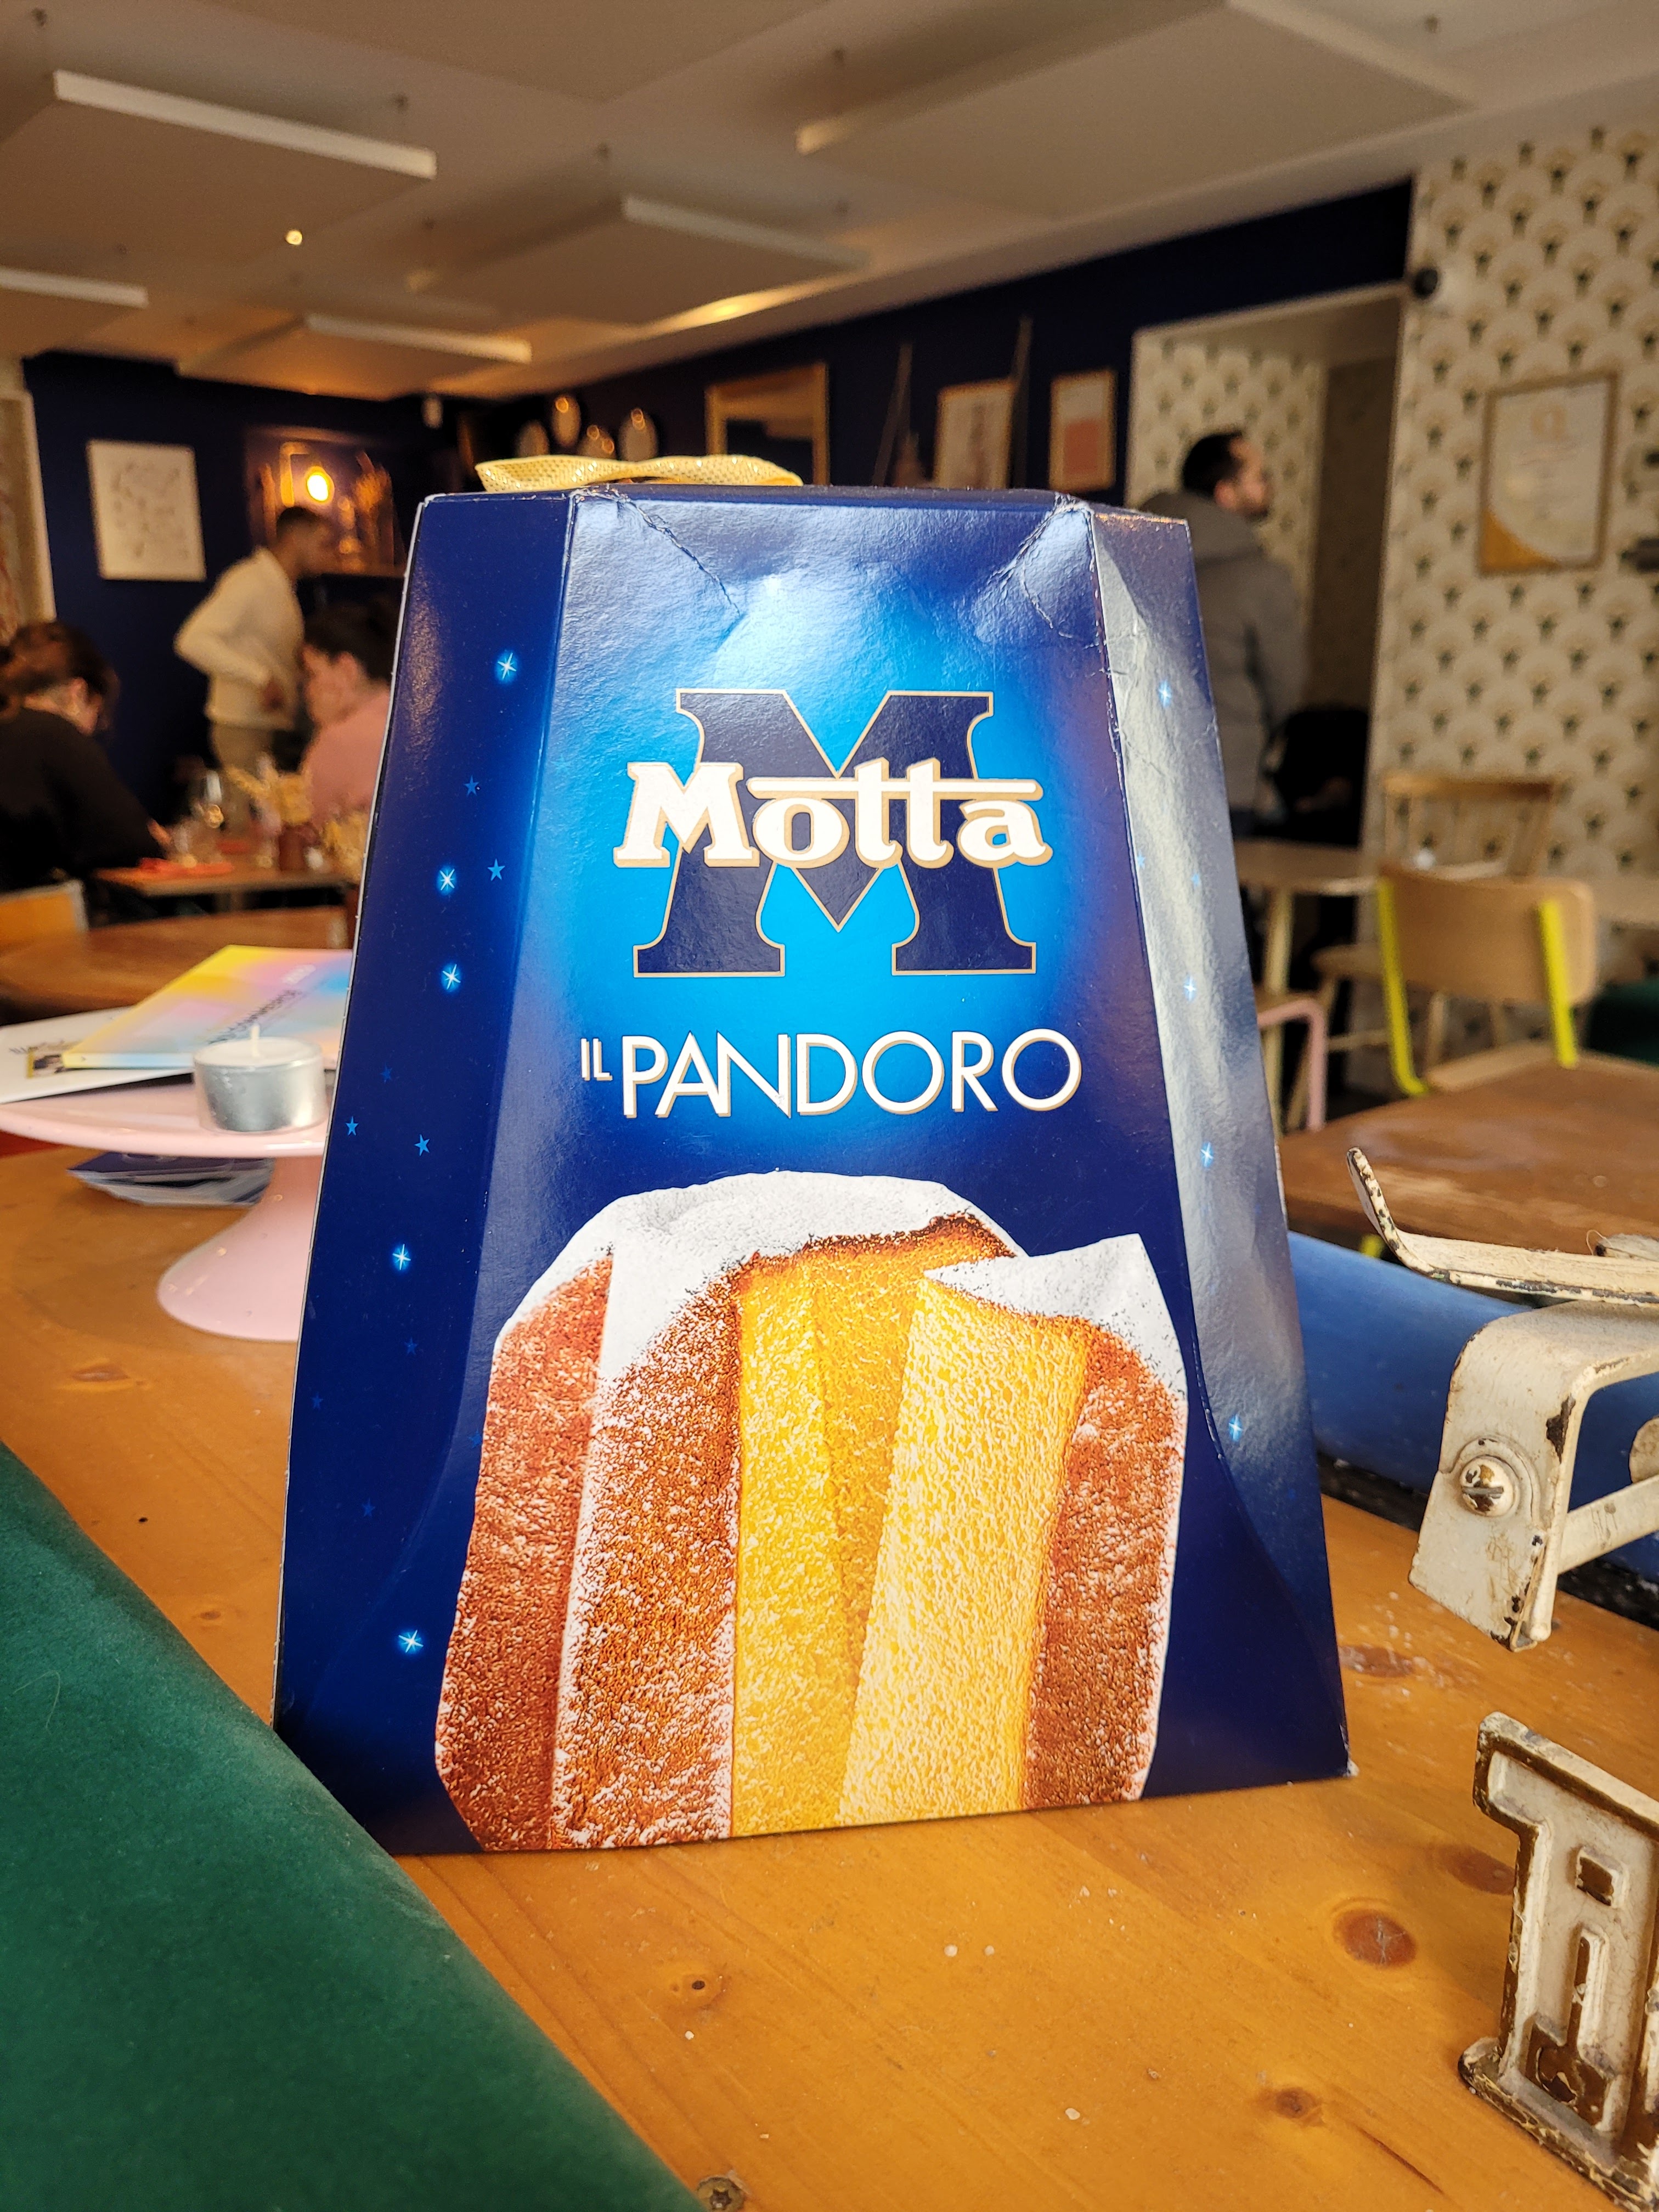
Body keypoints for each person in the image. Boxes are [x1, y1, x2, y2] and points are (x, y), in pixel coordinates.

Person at [1141, 431, 1305, 838]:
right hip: (1226, 776)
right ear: (1226, 493)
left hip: (1139, 768)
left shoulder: (1131, 553)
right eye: (1260, 476)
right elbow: (1286, 687)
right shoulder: (1261, 578)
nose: (1270, 485)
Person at [174, 506, 332, 828]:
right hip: (242, 727)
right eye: (322, 543)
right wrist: (259, 677)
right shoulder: (250, 581)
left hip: (270, 726)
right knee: (246, 828)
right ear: (296, 538)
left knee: (269, 827)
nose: (328, 554)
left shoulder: (282, 588)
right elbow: (192, 640)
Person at [0, 623, 167, 891]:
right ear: (77, 693)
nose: (90, 730)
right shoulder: (55, 734)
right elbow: (133, 846)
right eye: (96, 712)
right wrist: (152, 837)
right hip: (31, 910)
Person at [301, 599, 396, 822]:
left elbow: (302, 824)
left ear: (347, 670)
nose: (308, 691)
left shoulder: (339, 741)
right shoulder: (413, 724)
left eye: (312, 674)